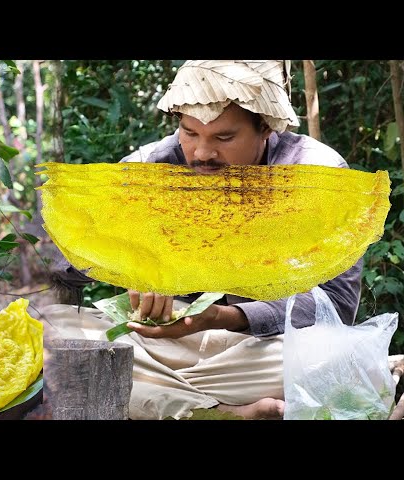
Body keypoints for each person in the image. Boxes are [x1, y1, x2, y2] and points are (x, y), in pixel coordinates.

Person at [41, 60, 363, 420]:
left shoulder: (315, 174)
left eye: (224, 138)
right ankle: (225, 411)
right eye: (189, 133)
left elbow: (336, 304)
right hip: (172, 345)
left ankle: (167, 398)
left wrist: (221, 317)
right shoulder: (152, 166)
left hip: (264, 350)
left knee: (331, 360)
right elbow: (59, 262)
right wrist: (132, 258)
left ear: (266, 129)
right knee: (43, 327)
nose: (202, 153)